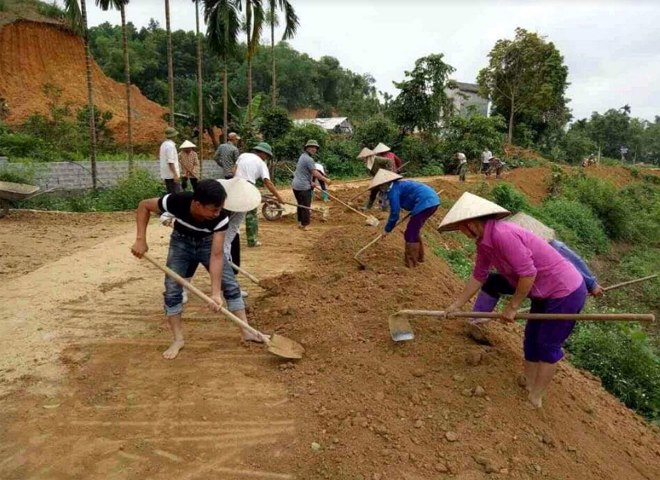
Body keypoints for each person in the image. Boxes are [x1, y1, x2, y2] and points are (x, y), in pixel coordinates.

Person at [438, 192, 587, 408]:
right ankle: (527, 380)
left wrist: (512, 306)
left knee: (547, 344)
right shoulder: (484, 243)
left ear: (470, 223)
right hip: (539, 291)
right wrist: (456, 305)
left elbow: (528, 274)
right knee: (531, 337)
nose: (461, 232)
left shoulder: (502, 235)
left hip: (564, 291)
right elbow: (479, 275)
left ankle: (536, 395)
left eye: (460, 227)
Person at [130, 179, 264, 360]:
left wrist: (216, 293)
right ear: (197, 204)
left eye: (220, 208)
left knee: (230, 285)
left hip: (208, 243)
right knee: (172, 290)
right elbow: (144, 205)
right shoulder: (176, 201)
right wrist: (140, 239)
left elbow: (216, 256)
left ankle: (247, 331)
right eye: (213, 209)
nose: (217, 213)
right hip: (181, 242)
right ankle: (178, 339)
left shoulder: (220, 218)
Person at [467, 211, 603, 343]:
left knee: (543, 339)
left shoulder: (553, 246)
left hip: (544, 284)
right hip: (522, 279)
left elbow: (573, 261)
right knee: (492, 281)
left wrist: (591, 284)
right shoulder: (503, 237)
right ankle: (476, 320)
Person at [368, 170, 440, 268]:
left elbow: (394, 213)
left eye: (380, 187)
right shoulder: (397, 185)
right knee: (414, 230)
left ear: (384, 184)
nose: (380, 189)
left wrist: (387, 229)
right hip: (431, 201)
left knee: (409, 233)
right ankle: (419, 257)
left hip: (425, 202)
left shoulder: (393, 190)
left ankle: (411, 263)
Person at [232, 142, 284, 248]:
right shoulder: (261, 163)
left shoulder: (243, 155)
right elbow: (267, 182)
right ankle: (252, 240)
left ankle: (230, 238)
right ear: (262, 153)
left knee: (233, 212)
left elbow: (233, 170)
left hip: (235, 184)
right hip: (248, 186)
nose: (266, 158)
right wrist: (279, 197)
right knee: (251, 215)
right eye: (266, 155)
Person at [291, 140, 331, 230]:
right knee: (305, 206)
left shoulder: (302, 156)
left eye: (315, 147)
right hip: (303, 187)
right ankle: (304, 225)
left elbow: (304, 172)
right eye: (311, 147)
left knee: (300, 205)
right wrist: (326, 180)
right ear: (307, 148)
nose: (314, 149)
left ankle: (300, 223)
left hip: (296, 186)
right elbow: (315, 173)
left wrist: (311, 182)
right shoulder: (309, 159)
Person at [160, 127, 181, 194]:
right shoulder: (170, 146)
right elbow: (170, 162)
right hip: (172, 174)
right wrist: (175, 174)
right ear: (174, 136)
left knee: (170, 194)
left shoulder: (163, 145)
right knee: (176, 194)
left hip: (166, 174)